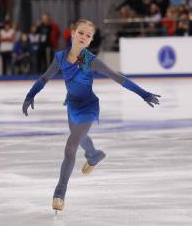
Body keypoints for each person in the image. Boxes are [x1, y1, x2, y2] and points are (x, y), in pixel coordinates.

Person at [22, 19, 161, 212]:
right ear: (72, 33)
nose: (84, 37)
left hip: (88, 108)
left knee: (71, 146)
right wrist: (31, 94)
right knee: (80, 138)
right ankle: (94, 155)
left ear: (90, 41)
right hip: (71, 105)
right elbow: (45, 78)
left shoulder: (91, 61)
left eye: (88, 35)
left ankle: (59, 193)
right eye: (81, 33)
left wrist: (143, 93)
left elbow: (118, 77)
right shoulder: (60, 58)